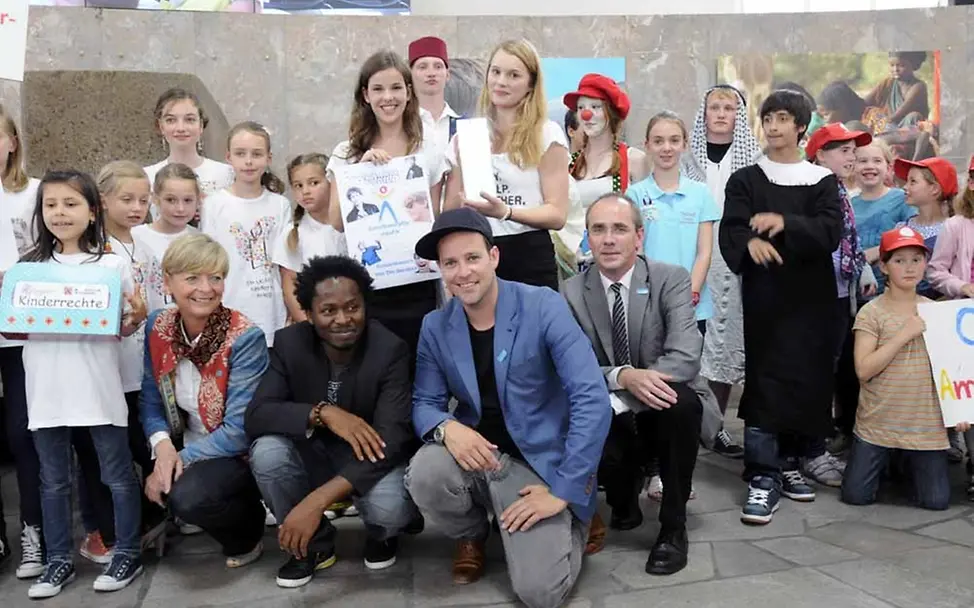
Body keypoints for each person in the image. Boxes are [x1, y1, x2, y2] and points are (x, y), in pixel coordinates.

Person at [405, 208, 610, 607]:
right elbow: (425, 404)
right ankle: (472, 532)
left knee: (540, 594)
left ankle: (576, 513)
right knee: (425, 473)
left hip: (541, 465)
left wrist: (564, 489)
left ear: (493, 257)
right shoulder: (436, 325)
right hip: (483, 458)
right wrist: (449, 429)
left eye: (472, 258)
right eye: (450, 263)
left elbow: (591, 399)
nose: (462, 272)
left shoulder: (543, 305)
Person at [246, 256, 419, 587]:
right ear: (309, 315)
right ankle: (312, 546)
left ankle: (382, 534)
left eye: (353, 307)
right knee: (267, 452)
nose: (343, 319)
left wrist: (317, 501)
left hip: (369, 459)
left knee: (391, 509)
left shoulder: (390, 349)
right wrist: (322, 412)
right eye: (328, 311)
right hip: (313, 454)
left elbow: (393, 438)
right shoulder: (289, 344)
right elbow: (257, 415)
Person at [18, 171, 147, 598]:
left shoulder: (111, 264)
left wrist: (136, 317)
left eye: (71, 204)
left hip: (97, 387)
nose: (60, 213)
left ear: (93, 211)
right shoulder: (27, 269)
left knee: (116, 474)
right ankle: (57, 561)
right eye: (51, 204)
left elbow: (124, 326)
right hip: (46, 389)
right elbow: (16, 327)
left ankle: (126, 550)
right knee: (53, 480)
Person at [719, 89, 843, 525]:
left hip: (811, 300)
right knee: (767, 382)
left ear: (801, 127)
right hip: (766, 299)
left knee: (807, 381)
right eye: (767, 117)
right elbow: (731, 230)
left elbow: (830, 231)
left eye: (783, 118)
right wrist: (751, 241)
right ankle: (762, 474)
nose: (772, 125)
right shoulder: (747, 180)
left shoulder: (822, 181)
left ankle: (790, 463)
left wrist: (785, 223)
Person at [562, 194, 703, 576]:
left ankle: (673, 528)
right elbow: (572, 366)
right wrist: (624, 376)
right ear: (587, 238)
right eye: (598, 229)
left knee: (683, 403)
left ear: (638, 237)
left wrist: (643, 386)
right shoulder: (570, 292)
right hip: (610, 404)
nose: (609, 239)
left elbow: (686, 355)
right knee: (583, 413)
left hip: (662, 401)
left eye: (619, 229)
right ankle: (624, 493)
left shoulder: (669, 278)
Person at [140, 233, 269, 569]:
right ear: (168, 282)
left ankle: (247, 529)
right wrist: (163, 449)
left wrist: (176, 459)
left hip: (238, 451)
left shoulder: (244, 337)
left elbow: (239, 431)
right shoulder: (158, 325)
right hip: (188, 442)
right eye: (192, 277)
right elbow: (151, 400)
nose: (206, 288)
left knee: (189, 497)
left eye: (216, 277)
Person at [326, 50, 445, 374]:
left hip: (416, 282)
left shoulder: (428, 150)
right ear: (365, 95)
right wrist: (360, 175)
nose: (388, 97)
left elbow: (433, 218)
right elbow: (335, 222)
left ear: (409, 92)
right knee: (371, 375)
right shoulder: (346, 152)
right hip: (367, 286)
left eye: (396, 88)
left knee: (416, 373)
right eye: (378, 89)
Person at [442, 39, 571, 290]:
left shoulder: (547, 134)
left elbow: (557, 214)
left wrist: (507, 213)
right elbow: (450, 212)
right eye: (496, 72)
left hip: (530, 256)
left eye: (513, 75)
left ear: (530, 84)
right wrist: (460, 167)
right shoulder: (467, 136)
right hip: (477, 254)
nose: (501, 82)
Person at [841, 227, 954, 510]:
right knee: (856, 496)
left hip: (925, 427)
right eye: (899, 260)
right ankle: (891, 459)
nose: (909, 268)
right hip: (878, 423)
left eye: (916, 260)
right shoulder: (872, 312)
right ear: (884, 266)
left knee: (936, 501)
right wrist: (904, 333)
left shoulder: (937, 312)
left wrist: (959, 410)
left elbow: (952, 370)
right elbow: (863, 370)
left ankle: (903, 462)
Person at [682, 84, 763, 459]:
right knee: (688, 343)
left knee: (726, 342)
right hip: (688, 259)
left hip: (733, 265)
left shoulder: (753, 161)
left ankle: (715, 430)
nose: (720, 113)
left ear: (738, 116)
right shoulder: (684, 158)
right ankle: (686, 424)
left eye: (728, 108)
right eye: (713, 106)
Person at [803, 123, 877, 487]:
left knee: (834, 369)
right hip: (814, 296)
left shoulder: (839, 191)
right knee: (816, 373)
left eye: (854, 150)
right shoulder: (811, 190)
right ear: (819, 154)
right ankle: (811, 449)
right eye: (843, 150)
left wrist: (861, 267)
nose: (853, 157)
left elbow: (848, 238)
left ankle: (823, 441)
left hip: (838, 293)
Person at [0, 102, 44, 578]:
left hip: (22, 331)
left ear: (13, 142)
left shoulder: (34, 193)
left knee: (23, 432)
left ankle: (35, 531)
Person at [201, 121, 291, 347]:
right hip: (228, 311)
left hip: (271, 314)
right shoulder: (214, 204)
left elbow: (286, 265)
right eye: (241, 154)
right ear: (228, 157)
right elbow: (208, 262)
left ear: (269, 158)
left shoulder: (280, 205)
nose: (249, 161)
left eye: (257, 154)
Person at [559, 73, 647, 277]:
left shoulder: (633, 160)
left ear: (611, 112)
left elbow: (644, 219)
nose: (587, 115)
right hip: (575, 268)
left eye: (595, 107)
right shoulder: (567, 164)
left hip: (621, 266)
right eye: (581, 108)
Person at [927, 159, 974, 496]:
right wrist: (962, 287)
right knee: (969, 394)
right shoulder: (956, 226)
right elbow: (936, 270)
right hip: (964, 321)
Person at [272, 153, 347, 324]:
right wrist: (307, 323)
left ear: (331, 182)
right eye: (298, 185)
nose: (305, 191)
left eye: (314, 183)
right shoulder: (292, 233)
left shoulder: (351, 226)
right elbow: (290, 286)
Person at [144, 88, 234, 217]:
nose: (181, 128)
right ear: (161, 126)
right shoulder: (147, 177)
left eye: (189, 120)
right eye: (171, 120)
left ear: (201, 125)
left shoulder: (227, 175)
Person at [133, 163, 201, 313]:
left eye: (188, 200)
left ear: (198, 199)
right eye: (171, 200)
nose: (180, 208)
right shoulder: (136, 237)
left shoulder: (201, 240)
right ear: (155, 199)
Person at [891, 156, 956, 300]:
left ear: (934, 189)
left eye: (913, 181)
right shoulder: (901, 228)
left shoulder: (954, 230)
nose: (905, 187)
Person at [409, 36, 460, 162]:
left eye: (438, 66)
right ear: (410, 74)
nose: (431, 73)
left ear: (447, 75)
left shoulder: (462, 126)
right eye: (422, 67)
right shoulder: (402, 124)